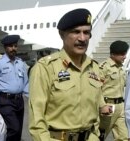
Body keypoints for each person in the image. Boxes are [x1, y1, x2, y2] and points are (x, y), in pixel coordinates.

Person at [28, 8, 109, 141]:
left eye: (86, 32)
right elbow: (36, 120)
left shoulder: (94, 67)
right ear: (62, 34)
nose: (82, 38)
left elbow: (99, 109)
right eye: (76, 32)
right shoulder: (46, 68)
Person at [0, 34, 29, 141]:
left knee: (18, 132)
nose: (13, 48)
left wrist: (31, 99)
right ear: (5, 48)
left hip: (19, 101)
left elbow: (26, 83)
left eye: (15, 46)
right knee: (14, 128)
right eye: (10, 46)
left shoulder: (21, 63)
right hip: (5, 101)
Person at [99, 40, 129, 141]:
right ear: (113, 54)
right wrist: (102, 105)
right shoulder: (103, 67)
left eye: (125, 54)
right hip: (108, 106)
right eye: (122, 54)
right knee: (100, 136)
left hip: (120, 106)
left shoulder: (121, 67)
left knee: (123, 136)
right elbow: (96, 89)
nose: (124, 57)